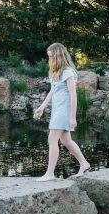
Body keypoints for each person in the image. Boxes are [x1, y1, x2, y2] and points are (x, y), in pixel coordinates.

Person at [33, 42, 90, 181]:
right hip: (57, 109)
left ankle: (50, 174)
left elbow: (73, 95)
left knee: (52, 139)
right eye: (49, 57)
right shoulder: (55, 72)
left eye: (51, 56)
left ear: (59, 56)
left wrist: (73, 117)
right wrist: (42, 107)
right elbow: (52, 91)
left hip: (64, 111)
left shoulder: (68, 72)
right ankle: (84, 163)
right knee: (66, 140)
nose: (50, 59)